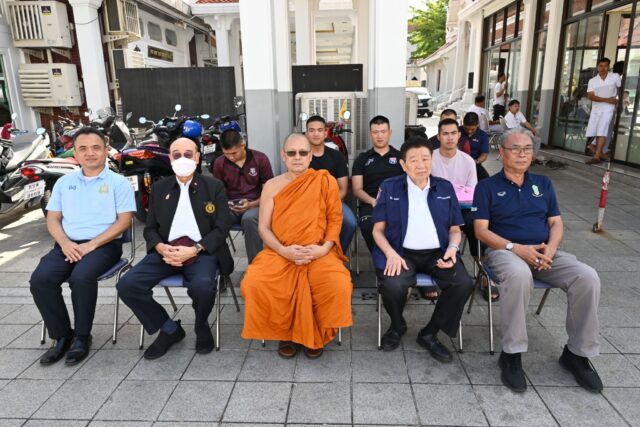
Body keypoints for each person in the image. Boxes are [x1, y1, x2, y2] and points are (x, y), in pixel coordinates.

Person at [473, 129, 602, 393]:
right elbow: (481, 231)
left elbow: (556, 223)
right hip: (504, 252)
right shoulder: (486, 187)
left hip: (544, 252)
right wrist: (517, 249)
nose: (522, 154)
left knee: (587, 277)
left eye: (527, 149)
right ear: (502, 152)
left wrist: (551, 250)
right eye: (516, 149)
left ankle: (577, 354)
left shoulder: (543, 184)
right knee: (519, 275)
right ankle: (512, 354)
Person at [116, 138, 233, 360]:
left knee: (202, 287)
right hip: (166, 252)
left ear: (197, 157)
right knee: (127, 285)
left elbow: (222, 227)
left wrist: (196, 249)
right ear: (169, 158)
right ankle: (169, 329)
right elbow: (150, 228)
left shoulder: (214, 187)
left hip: (202, 251)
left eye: (188, 154)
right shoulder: (160, 188)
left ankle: (201, 325)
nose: (182, 159)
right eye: (176, 154)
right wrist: (160, 247)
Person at [241, 133, 352, 359]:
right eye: (292, 153)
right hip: (280, 251)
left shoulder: (325, 181)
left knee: (337, 283)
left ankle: (317, 333)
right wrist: (284, 251)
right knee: (254, 282)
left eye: (303, 152)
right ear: (283, 156)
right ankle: (285, 334)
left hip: (318, 250)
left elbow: (335, 220)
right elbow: (263, 228)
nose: (297, 157)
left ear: (311, 156)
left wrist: (323, 249)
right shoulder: (271, 186)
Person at [30, 127, 135, 365]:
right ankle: (62, 336)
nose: (90, 153)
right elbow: (53, 218)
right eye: (83, 149)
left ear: (106, 150)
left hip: (104, 245)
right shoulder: (63, 183)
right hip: (67, 245)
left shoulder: (119, 183)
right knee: (41, 279)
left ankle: (82, 336)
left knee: (81, 277)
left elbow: (124, 221)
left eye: (96, 148)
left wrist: (91, 245)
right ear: (75, 154)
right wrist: (65, 243)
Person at [372, 137, 473, 362]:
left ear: (432, 160)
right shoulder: (390, 187)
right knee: (392, 285)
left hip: (438, 252)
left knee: (463, 283)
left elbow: (455, 230)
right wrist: (390, 253)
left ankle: (429, 333)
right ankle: (397, 326)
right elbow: (377, 231)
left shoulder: (444, 187)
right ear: (403, 164)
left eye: (425, 159)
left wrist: (452, 248)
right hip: (400, 251)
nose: (421, 165)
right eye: (414, 160)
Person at [212, 129, 273, 262]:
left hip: (257, 204)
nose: (231, 157)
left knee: (249, 219)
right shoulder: (219, 163)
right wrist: (226, 204)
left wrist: (251, 204)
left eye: (234, 153)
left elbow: (269, 193)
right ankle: (220, 264)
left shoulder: (260, 159)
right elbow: (217, 192)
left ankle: (256, 266)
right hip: (231, 206)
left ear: (242, 145)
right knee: (212, 218)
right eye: (226, 154)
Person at [351, 115, 404, 254]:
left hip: (397, 203)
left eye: (383, 131)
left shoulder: (401, 157)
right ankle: (381, 258)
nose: (379, 136)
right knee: (368, 226)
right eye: (375, 132)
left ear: (390, 132)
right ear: (370, 134)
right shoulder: (362, 159)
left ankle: (397, 256)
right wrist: (374, 201)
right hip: (371, 204)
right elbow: (357, 189)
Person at [305, 115, 357, 253]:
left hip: (333, 202)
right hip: (307, 203)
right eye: (312, 130)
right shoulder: (301, 157)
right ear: (306, 133)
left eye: (319, 130)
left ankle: (336, 255)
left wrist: (328, 205)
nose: (316, 134)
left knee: (350, 223)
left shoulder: (336, 156)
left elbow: (343, 189)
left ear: (325, 133)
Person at [585, 57, 621, 165]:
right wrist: (608, 100)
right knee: (597, 132)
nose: (603, 68)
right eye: (601, 66)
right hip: (596, 109)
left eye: (605, 66)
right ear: (597, 67)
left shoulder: (615, 77)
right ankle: (599, 153)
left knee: (602, 131)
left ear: (609, 67)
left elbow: (621, 89)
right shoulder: (592, 81)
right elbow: (591, 96)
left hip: (608, 109)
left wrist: (617, 100)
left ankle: (596, 156)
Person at [459, 112, 490, 181]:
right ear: (463, 123)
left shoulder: (483, 135)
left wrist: (474, 162)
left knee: (486, 180)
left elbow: (484, 155)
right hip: (457, 163)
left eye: (472, 129)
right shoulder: (457, 131)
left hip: (475, 164)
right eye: (466, 128)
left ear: (477, 125)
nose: (469, 131)